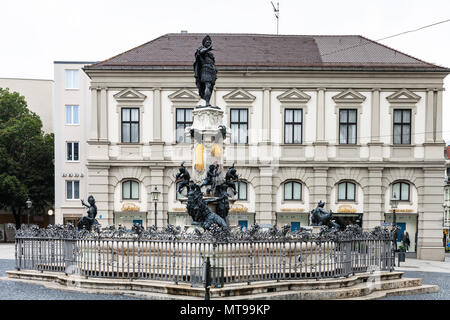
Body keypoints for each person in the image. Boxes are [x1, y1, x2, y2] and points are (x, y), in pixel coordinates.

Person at [193, 35, 217, 107]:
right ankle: (207, 103)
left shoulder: (210, 54)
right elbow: (201, 52)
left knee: (210, 87)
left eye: (210, 42)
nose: (209, 43)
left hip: (212, 70)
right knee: (208, 85)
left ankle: (208, 102)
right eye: (207, 42)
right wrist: (208, 48)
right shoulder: (201, 49)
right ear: (204, 43)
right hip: (205, 69)